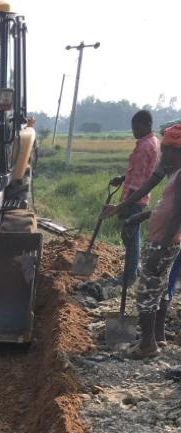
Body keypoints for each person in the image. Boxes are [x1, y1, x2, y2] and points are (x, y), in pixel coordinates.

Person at [100, 125, 181, 358]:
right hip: (163, 239)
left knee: (147, 292)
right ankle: (155, 337)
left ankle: (148, 344)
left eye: (166, 151)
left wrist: (162, 246)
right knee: (159, 288)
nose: (162, 155)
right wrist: (141, 214)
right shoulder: (172, 172)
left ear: (177, 153)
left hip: (164, 243)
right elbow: (162, 204)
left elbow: (177, 215)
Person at [112, 110, 160, 285]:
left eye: (136, 128)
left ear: (147, 125)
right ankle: (134, 269)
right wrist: (122, 178)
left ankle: (129, 276)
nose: (134, 131)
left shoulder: (144, 146)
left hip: (134, 199)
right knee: (132, 235)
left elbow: (139, 180)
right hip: (138, 197)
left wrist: (125, 204)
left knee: (130, 237)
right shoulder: (153, 142)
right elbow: (141, 171)